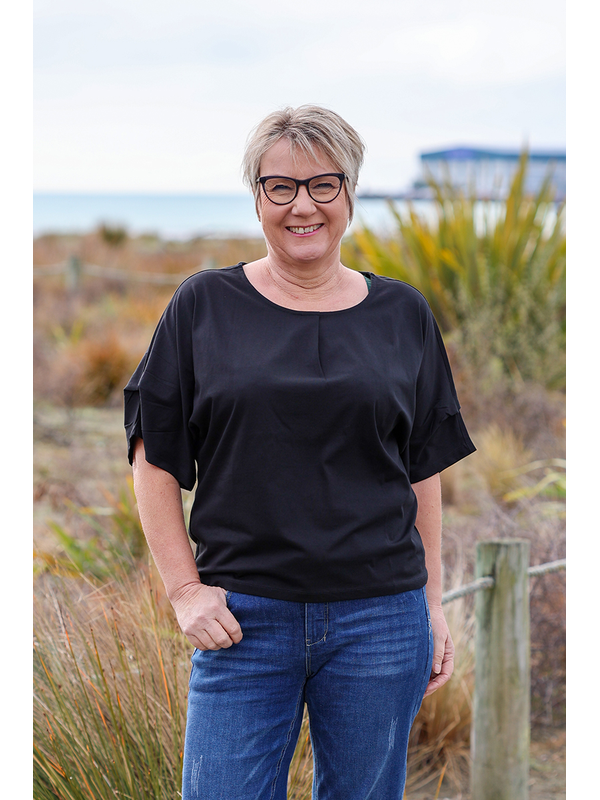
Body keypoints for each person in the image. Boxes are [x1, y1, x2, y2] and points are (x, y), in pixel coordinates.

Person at [124, 104, 476, 800]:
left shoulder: (401, 313)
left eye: (323, 184)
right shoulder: (203, 305)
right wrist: (185, 591)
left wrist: (431, 607)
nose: (301, 205)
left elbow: (421, 469)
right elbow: (153, 457)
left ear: (349, 193)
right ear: (256, 195)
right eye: (279, 186)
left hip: (381, 619)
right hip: (243, 621)